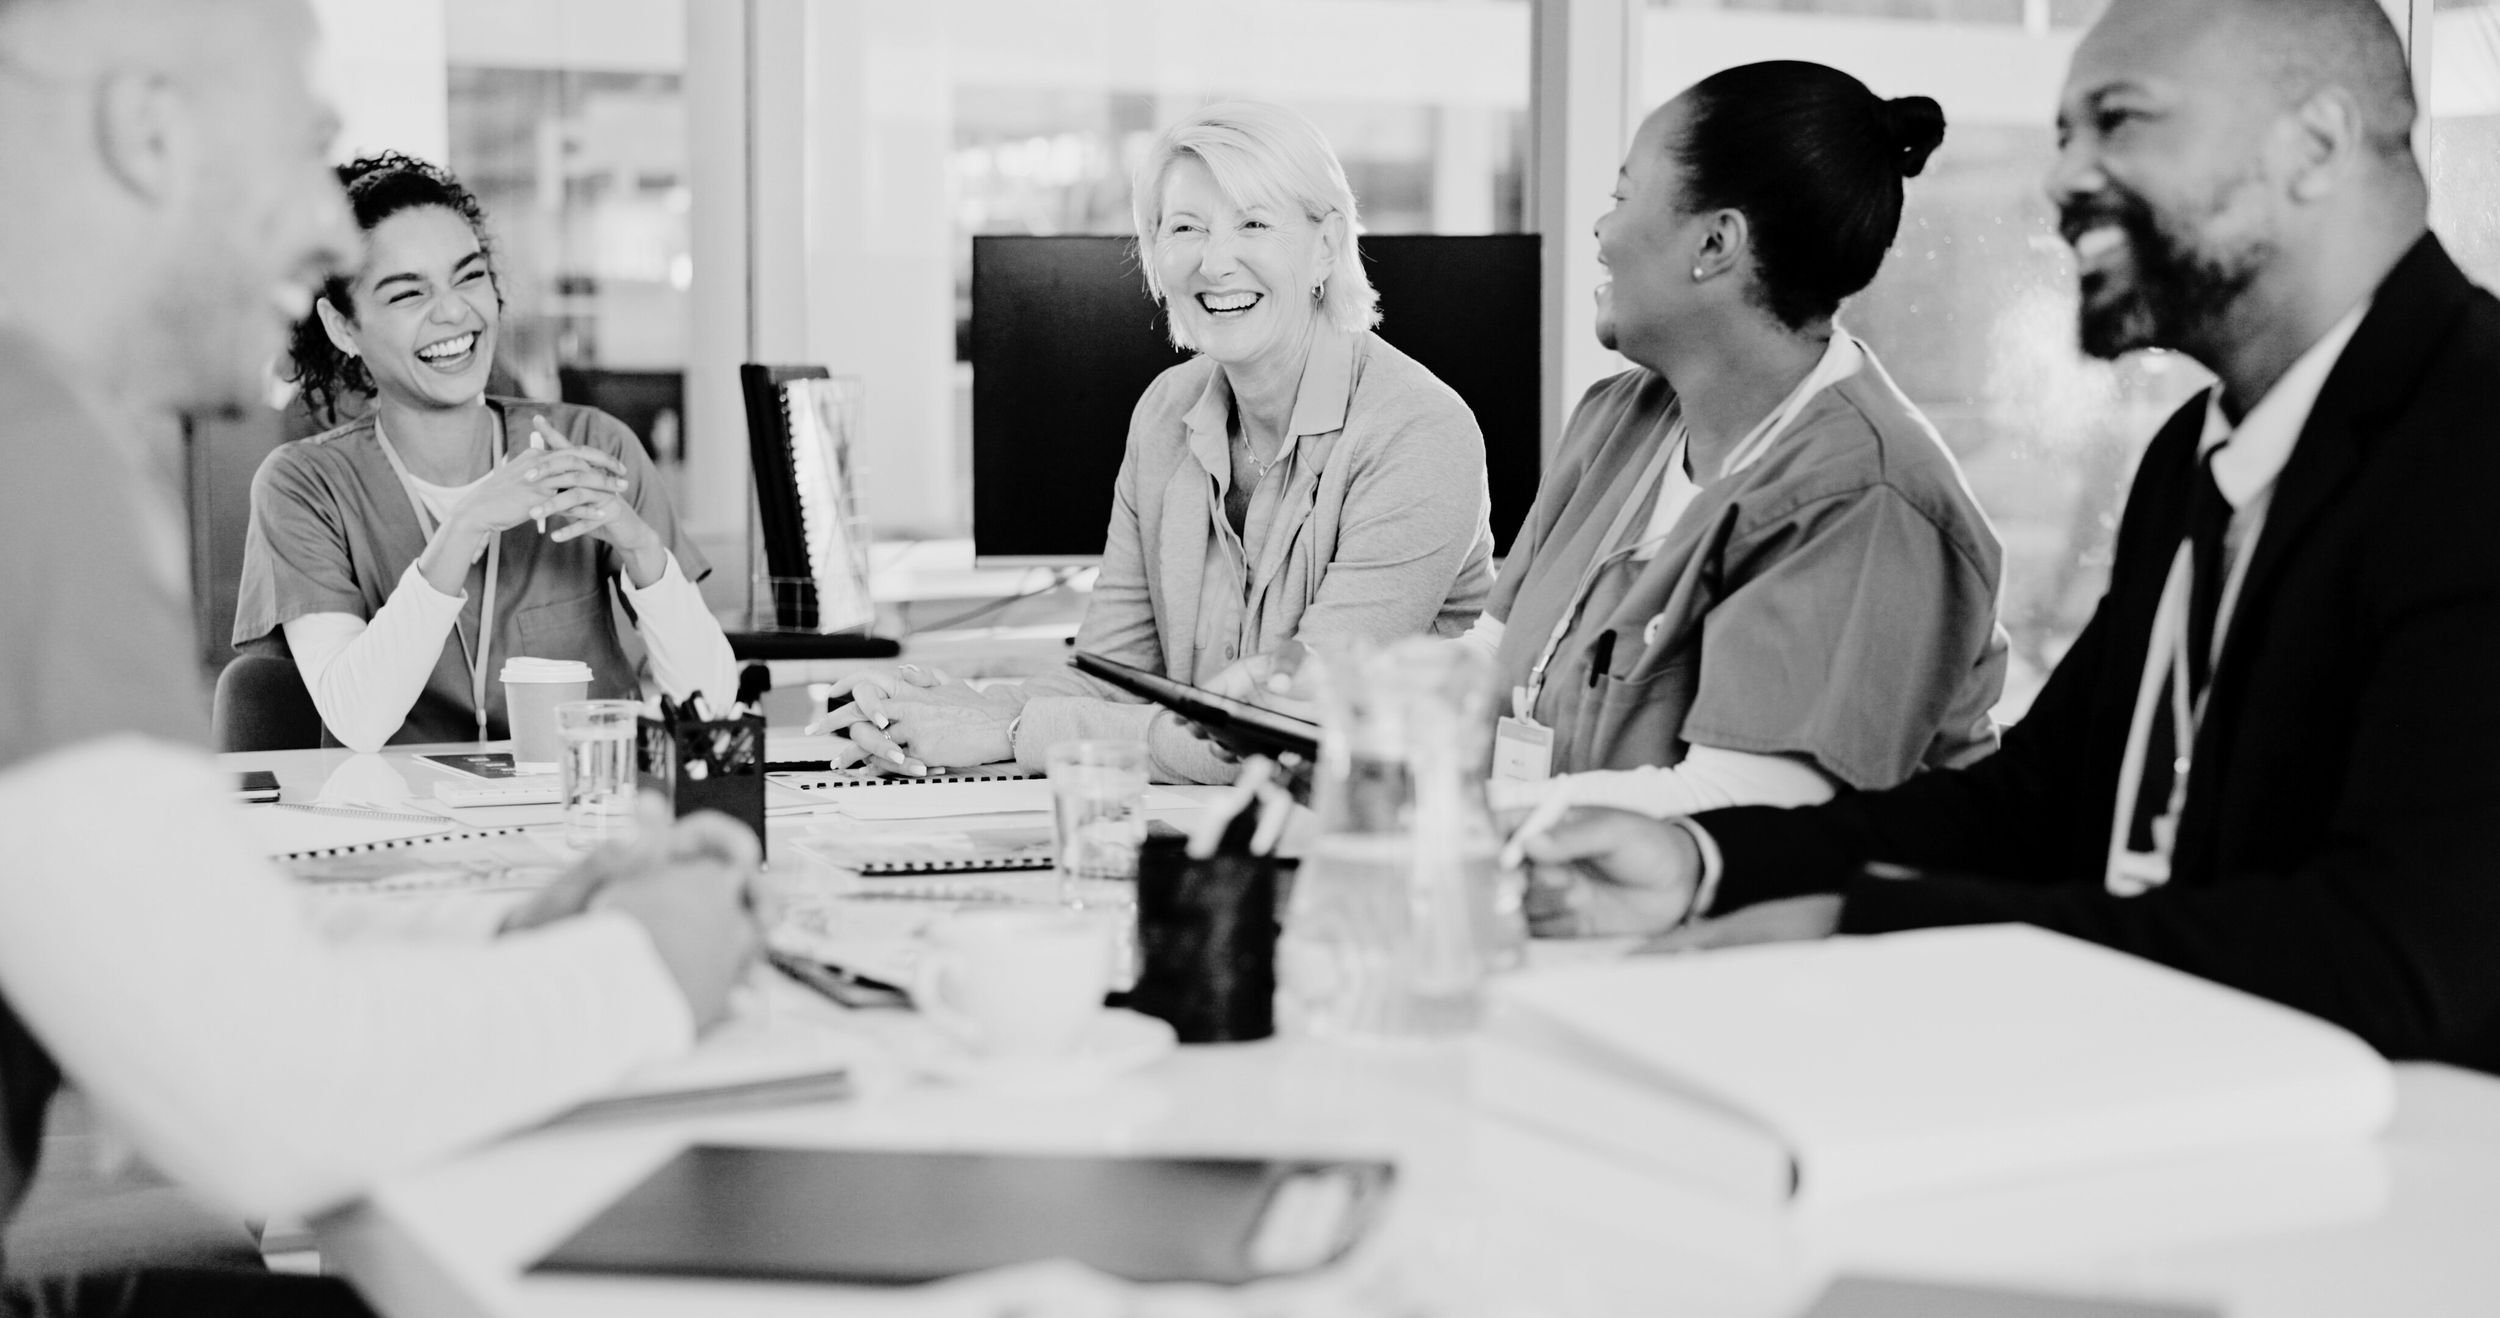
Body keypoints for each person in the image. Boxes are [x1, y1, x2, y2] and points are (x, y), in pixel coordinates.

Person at [1519, 0, 2500, 1071]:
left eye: (2118, 121)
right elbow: (2037, 805)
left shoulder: (2473, 443)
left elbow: (2402, 958)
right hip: (2193, 1093)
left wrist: (1866, 929)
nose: (2063, 179)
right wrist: (1701, 859)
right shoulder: (2197, 454)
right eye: (2064, 137)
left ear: (2313, 146)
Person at [0, 1, 758, 1314]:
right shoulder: (39, 466)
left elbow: (188, 937)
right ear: (150, 130)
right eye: (308, 146)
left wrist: (513, 923)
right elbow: (264, 1095)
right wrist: (653, 965)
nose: (317, 232)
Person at [818, 101, 1496, 785]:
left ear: (1325, 245)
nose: (1214, 262)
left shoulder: (1418, 433)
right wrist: (939, 710)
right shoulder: (1167, 412)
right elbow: (1114, 679)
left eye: (1254, 224)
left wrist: (1006, 728)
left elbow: (1286, 735)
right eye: (1184, 228)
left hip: (1384, 853)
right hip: (1218, 839)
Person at [1458, 62, 2006, 823]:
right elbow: (1490, 661)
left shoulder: (1864, 496)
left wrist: (1460, 815)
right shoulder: (1619, 417)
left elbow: (1743, 805)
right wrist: (1319, 710)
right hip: (1574, 905)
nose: (1600, 228)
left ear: (1715, 242)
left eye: (1621, 197)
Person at [233, 153, 740, 753]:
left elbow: (713, 701)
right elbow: (358, 720)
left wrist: (640, 547)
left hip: (586, 811)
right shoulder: (304, 487)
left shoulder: (590, 446)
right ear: (343, 328)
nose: (453, 312)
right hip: (405, 824)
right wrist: (469, 522)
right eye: (406, 294)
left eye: (469, 277)